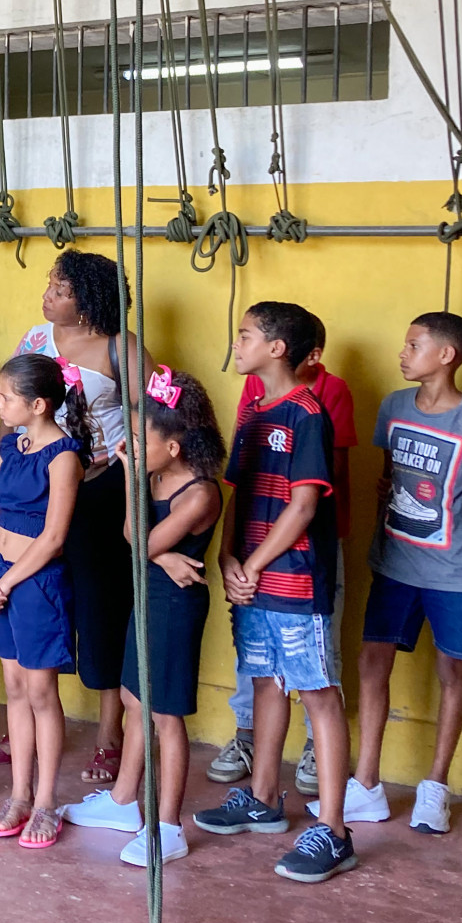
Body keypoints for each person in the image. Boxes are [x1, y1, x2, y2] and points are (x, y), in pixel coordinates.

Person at [194, 302, 357, 884]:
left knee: (317, 692)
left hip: (293, 580)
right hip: (254, 580)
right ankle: (262, 798)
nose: (237, 344)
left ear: (278, 348)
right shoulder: (255, 413)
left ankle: (334, 829)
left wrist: (255, 563)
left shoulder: (308, 414)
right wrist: (228, 555)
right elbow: (237, 493)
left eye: (246, 335)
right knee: (264, 682)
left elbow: (305, 503)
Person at [332, 312, 462, 835]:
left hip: (452, 571)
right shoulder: (395, 407)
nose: (402, 353)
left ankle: (435, 787)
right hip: (395, 563)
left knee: (452, 671)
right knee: (372, 661)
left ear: (446, 355)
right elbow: (388, 480)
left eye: (414, 345)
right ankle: (367, 784)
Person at [66, 367, 224, 869]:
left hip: (175, 608)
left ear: (173, 448)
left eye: (138, 438)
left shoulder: (199, 493)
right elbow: (139, 540)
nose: (128, 443)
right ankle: (120, 803)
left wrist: (133, 481)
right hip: (147, 595)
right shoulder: (156, 475)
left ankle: (168, 827)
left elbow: (139, 541)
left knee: (165, 717)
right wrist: (161, 556)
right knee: (134, 699)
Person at [1, 251, 146, 784]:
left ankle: (110, 732)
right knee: (32, 597)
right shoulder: (35, 340)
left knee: (98, 607)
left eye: (59, 288)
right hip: (35, 488)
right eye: (50, 285)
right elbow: (14, 401)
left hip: (98, 492)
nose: (48, 295)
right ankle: (28, 714)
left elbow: (152, 413)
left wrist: (122, 449)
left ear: (86, 300)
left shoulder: (120, 347)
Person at [0, 355, 83, 850]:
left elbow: (55, 537)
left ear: (38, 404)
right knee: (15, 688)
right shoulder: (10, 445)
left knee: (42, 694)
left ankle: (45, 802)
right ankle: (18, 795)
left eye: (5, 396)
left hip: (36, 586)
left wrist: (11, 580)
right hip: (0, 579)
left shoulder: (63, 456)